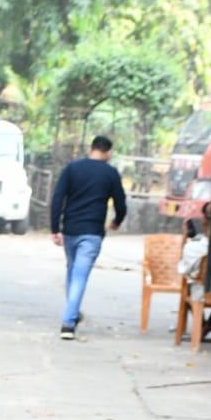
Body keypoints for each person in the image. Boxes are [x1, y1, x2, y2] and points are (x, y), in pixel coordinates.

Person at [50, 135, 127, 340]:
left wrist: (54, 227)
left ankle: (72, 312)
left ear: (91, 148)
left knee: (73, 271)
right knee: (79, 275)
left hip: (70, 230)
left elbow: (58, 197)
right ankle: (68, 323)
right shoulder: (110, 173)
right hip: (92, 232)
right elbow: (121, 203)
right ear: (108, 152)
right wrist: (117, 221)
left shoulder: (72, 168)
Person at [178, 201, 211, 341]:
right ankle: (208, 325)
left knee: (191, 286)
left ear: (205, 220)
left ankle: (202, 325)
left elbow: (184, 270)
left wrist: (186, 237)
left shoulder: (194, 247)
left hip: (201, 294)